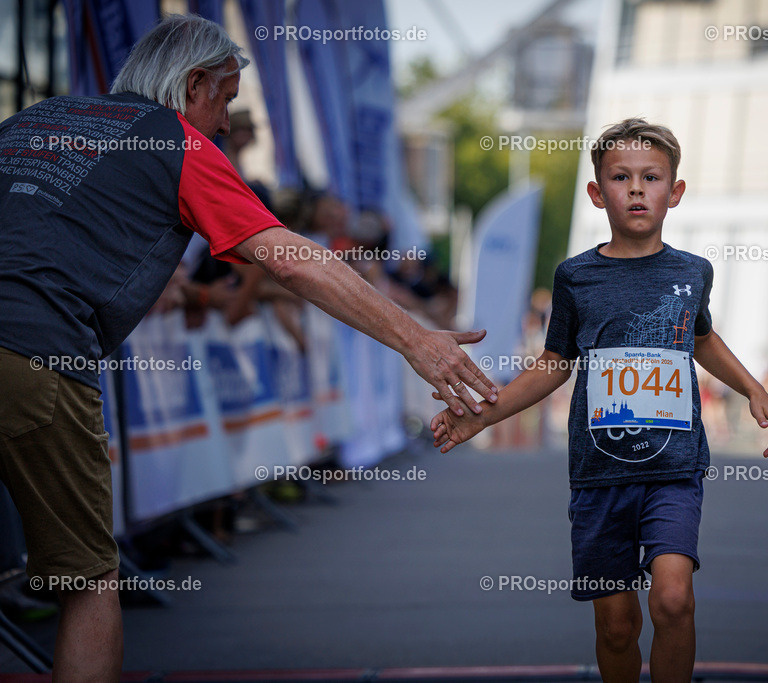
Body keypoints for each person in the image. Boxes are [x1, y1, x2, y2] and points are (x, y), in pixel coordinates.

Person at [0, 15, 496, 681]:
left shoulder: (35, 120)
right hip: (37, 350)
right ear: (193, 83)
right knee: (88, 580)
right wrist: (416, 338)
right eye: (226, 99)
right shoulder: (175, 142)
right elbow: (292, 260)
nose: (227, 124)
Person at [430, 118, 768, 683]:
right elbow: (553, 364)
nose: (637, 189)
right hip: (600, 475)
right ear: (597, 193)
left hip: (674, 469)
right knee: (617, 625)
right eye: (621, 177)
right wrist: (481, 416)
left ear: (676, 192)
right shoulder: (576, 278)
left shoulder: (693, 272)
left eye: (652, 177)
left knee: (673, 600)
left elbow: (700, 337)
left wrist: (752, 387)